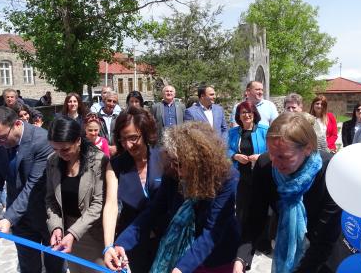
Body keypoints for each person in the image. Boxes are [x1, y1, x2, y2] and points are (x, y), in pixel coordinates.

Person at [108, 122, 240, 273]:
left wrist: (181, 269)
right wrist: (122, 243)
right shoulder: (172, 173)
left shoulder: (226, 178)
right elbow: (153, 211)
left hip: (215, 256)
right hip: (178, 252)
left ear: (199, 163)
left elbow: (212, 231)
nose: (174, 168)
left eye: (179, 164)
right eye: (173, 162)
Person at [235, 113, 341, 273]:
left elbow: (325, 238)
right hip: (285, 253)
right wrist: (241, 258)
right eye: (272, 154)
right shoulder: (265, 166)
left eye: (284, 157)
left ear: (308, 149)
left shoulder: (331, 171)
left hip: (324, 258)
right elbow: (254, 218)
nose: (275, 163)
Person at [0, 107, 65, 273]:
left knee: (55, 265)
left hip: (48, 216)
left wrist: (8, 218)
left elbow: (33, 186)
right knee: (28, 266)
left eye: (2, 137)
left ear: (18, 124)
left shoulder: (42, 140)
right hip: (22, 221)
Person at [102, 106, 163, 273]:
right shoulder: (115, 165)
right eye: (122, 140)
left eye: (133, 138)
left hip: (165, 238)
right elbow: (111, 205)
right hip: (132, 241)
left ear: (146, 132)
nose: (128, 145)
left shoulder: (165, 158)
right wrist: (108, 246)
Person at [46, 116, 108, 273]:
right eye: (55, 149)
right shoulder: (52, 161)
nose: (60, 154)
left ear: (78, 141)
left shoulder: (99, 161)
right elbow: (51, 199)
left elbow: (98, 204)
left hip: (93, 234)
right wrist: (56, 227)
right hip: (67, 233)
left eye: (65, 149)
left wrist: (73, 234)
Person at [227, 101, 268, 237]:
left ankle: (261, 239)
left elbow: (273, 151)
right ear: (238, 115)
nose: (246, 115)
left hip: (260, 175)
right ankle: (241, 236)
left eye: (249, 112)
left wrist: (260, 156)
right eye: (243, 112)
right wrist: (235, 155)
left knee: (260, 206)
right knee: (242, 208)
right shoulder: (233, 132)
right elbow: (225, 149)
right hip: (240, 176)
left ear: (254, 113)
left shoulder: (264, 130)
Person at [97, 91, 120, 156]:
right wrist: (106, 147)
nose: (111, 104)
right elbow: (93, 136)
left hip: (116, 153)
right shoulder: (96, 117)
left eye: (114, 102)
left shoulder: (119, 118)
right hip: (100, 154)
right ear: (104, 101)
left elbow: (121, 135)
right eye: (109, 100)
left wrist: (117, 147)